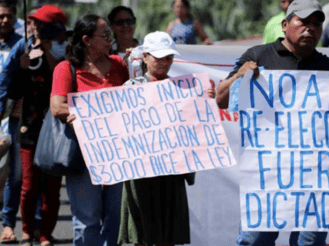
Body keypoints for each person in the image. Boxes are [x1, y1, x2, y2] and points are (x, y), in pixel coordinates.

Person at [215, 0, 329, 245]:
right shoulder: (258, 56)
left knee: (309, 243)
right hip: (268, 177)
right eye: (303, 21)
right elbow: (221, 99)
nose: (310, 28)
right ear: (284, 24)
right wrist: (240, 76)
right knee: (254, 241)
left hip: (315, 179)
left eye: (317, 23)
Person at [117, 31, 215, 246]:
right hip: (140, 174)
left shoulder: (184, 90)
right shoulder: (130, 88)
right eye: (158, 57)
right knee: (141, 236)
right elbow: (119, 131)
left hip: (171, 174)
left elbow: (193, 130)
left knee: (168, 235)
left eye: (168, 58)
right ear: (145, 57)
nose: (164, 63)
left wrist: (203, 105)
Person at [50, 14, 129, 246]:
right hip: (84, 156)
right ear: (86, 39)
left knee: (116, 217)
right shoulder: (67, 68)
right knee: (87, 221)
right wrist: (93, 115)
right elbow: (57, 106)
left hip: (118, 154)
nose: (110, 39)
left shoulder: (119, 65)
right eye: (105, 35)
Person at [0, 4, 68, 246]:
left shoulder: (64, 48)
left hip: (56, 128)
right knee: (27, 184)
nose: (35, 28)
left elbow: (63, 79)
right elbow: (11, 84)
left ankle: (45, 233)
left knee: (51, 186)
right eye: (33, 24)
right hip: (28, 124)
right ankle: (27, 229)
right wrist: (22, 67)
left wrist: (47, 53)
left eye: (40, 24)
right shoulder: (25, 46)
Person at [0, 1, 23, 243]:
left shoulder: (21, 43)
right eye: (0, 16)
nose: (5, 20)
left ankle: (7, 224)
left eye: (9, 16)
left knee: (13, 174)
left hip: (10, 118)